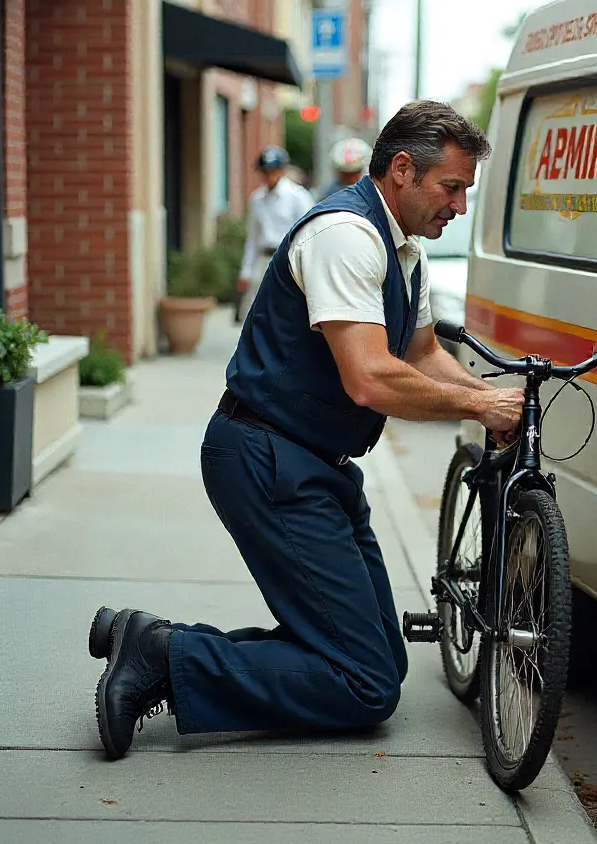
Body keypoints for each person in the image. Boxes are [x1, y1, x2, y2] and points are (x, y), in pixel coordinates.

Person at [89, 101, 525, 760]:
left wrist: (490, 397)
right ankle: (163, 653)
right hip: (266, 457)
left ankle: (154, 645)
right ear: (402, 169)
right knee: (366, 684)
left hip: (317, 464)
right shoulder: (346, 236)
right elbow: (370, 379)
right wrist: (481, 410)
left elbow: (419, 354)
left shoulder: (405, 252)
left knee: (379, 659)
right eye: (452, 187)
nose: (459, 206)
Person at [235, 146, 316, 323]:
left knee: (287, 314)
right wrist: (246, 271)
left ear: (282, 170)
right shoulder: (257, 199)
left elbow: (310, 234)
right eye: (265, 171)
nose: (269, 175)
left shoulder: (298, 196)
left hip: (288, 260)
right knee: (256, 316)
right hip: (263, 259)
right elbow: (253, 238)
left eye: (273, 170)